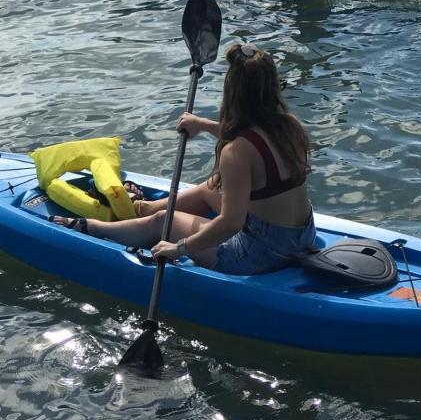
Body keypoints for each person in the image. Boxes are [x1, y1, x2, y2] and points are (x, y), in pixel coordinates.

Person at [49, 43, 316, 275]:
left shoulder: (235, 153)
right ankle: (140, 209)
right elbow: (256, 139)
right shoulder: (290, 126)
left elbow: (231, 223)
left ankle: (97, 227)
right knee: (211, 187)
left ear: (232, 92)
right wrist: (202, 124)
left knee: (164, 221)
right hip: (301, 237)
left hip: (257, 257)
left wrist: (179, 248)